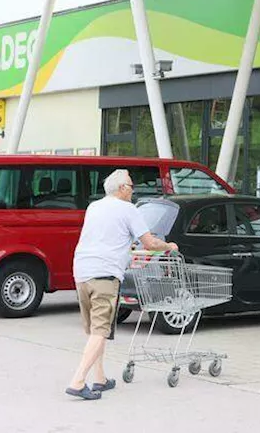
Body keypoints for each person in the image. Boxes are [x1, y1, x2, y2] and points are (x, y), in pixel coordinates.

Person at [66, 169, 176, 401]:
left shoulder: (94, 207)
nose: (133, 190)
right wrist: (169, 247)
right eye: (131, 186)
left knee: (96, 331)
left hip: (82, 271)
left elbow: (107, 236)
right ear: (122, 188)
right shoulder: (128, 209)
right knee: (100, 331)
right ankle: (77, 381)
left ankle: (100, 378)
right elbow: (150, 242)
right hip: (105, 275)